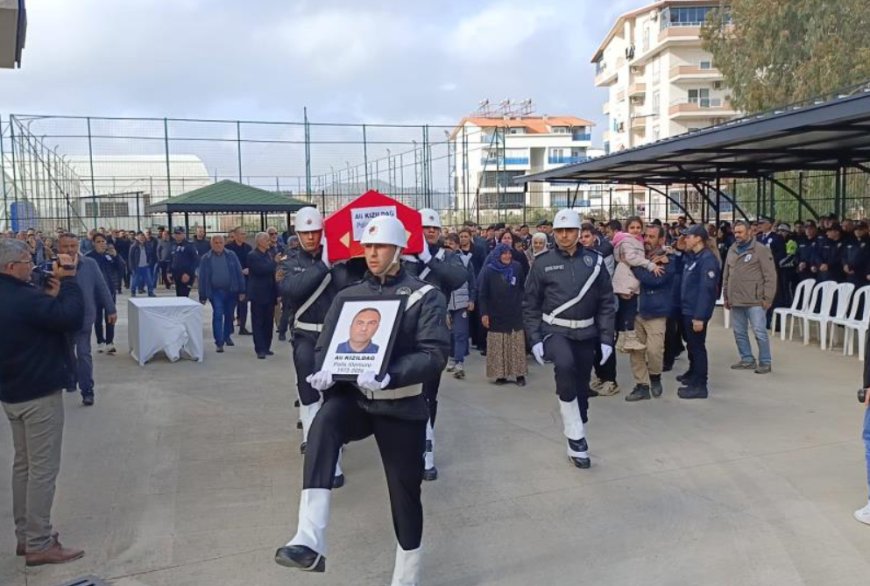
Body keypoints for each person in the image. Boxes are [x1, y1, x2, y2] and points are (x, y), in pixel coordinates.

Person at [275, 215, 449, 585]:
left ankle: (406, 576)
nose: (372, 253)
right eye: (367, 246)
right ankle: (309, 537)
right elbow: (325, 347)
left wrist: (392, 374)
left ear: (399, 249)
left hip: (401, 405)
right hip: (355, 398)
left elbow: (434, 354)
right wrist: (324, 371)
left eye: (380, 246)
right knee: (322, 424)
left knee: (404, 496)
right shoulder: (349, 296)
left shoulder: (425, 296)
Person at [0, 239, 86, 566]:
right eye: (25, 261)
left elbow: (41, 319)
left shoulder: (16, 297)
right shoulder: (22, 299)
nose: (31, 265)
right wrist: (69, 280)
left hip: (12, 391)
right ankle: (39, 542)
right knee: (42, 470)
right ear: (10, 267)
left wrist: (47, 297)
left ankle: (26, 535)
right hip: (38, 392)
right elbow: (71, 317)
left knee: (23, 465)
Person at [524, 209, 616, 469]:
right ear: (554, 232)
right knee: (564, 366)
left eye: (570, 231)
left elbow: (607, 303)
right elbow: (530, 304)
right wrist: (535, 339)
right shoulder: (542, 263)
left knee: (581, 384)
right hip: (556, 331)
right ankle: (575, 436)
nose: (564, 235)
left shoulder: (595, 262)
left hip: (586, 332)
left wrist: (607, 338)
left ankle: (578, 424)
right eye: (560, 231)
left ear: (579, 233)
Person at [403, 208, 468, 482]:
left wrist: (429, 259)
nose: (429, 232)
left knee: (430, 392)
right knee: (404, 392)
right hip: (405, 333)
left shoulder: (447, 257)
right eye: (424, 228)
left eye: (433, 228)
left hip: (434, 334)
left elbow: (457, 278)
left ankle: (427, 447)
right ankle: (409, 445)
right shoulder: (403, 258)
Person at [57, 233, 116, 407]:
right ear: (58, 248)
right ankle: (70, 379)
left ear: (78, 246)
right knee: (67, 354)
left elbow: (101, 286)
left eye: (73, 246)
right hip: (61, 319)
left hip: (84, 318)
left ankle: (87, 390)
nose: (70, 250)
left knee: (84, 354)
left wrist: (111, 308)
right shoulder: (52, 266)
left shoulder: (89, 265)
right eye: (65, 246)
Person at [625, 224, 678, 401]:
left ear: (662, 240)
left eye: (652, 237)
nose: (647, 240)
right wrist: (644, 264)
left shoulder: (669, 258)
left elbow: (654, 279)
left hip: (655, 311)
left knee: (655, 351)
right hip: (634, 311)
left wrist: (634, 267)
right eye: (645, 236)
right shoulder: (636, 253)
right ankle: (642, 385)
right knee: (636, 351)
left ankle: (655, 377)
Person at [723, 220, 777, 374]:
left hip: (755, 300)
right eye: (735, 232)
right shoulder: (732, 249)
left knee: (759, 331)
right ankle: (747, 359)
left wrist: (768, 298)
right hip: (736, 299)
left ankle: (765, 362)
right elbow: (727, 274)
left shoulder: (760, 250)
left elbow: (770, 276)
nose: (737, 235)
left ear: (749, 232)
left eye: (740, 232)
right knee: (739, 331)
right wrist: (726, 295)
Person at [675, 225, 720, 400]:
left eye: (688, 236)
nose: (685, 239)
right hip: (687, 309)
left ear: (698, 238)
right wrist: (681, 249)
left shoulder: (707, 259)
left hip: (696, 311)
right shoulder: (693, 257)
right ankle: (693, 375)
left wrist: (700, 317)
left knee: (698, 347)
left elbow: (706, 291)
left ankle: (701, 384)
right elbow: (681, 268)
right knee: (691, 345)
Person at [611, 217, 664, 353]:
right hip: (627, 278)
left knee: (626, 309)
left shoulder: (635, 241)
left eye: (638, 228)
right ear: (627, 229)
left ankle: (622, 339)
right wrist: (650, 265)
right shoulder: (628, 241)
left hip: (628, 277)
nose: (635, 230)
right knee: (630, 309)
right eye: (632, 227)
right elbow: (631, 258)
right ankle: (629, 338)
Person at [479, 243, 527, 386]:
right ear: (497, 255)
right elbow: (482, 294)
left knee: (516, 344)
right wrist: (484, 313)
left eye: (509, 253)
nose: (507, 256)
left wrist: (522, 302)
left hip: (514, 311)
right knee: (498, 344)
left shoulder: (517, 267)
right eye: (504, 253)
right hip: (496, 313)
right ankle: (501, 375)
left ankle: (519, 375)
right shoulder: (488, 271)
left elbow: (522, 287)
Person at [198, 235, 246, 353]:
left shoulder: (231, 255)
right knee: (218, 314)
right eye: (216, 243)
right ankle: (219, 342)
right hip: (215, 292)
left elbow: (239, 272)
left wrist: (242, 290)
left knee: (229, 315)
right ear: (211, 244)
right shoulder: (206, 258)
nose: (218, 245)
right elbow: (202, 277)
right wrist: (202, 295)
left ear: (224, 244)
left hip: (231, 290)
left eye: (220, 242)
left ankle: (227, 336)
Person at [443, 233, 476, 379]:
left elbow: (472, 281)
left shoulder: (465, 260)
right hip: (446, 304)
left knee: (460, 333)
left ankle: (459, 363)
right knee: (449, 334)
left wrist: (471, 299)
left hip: (462, 303)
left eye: (451, 244)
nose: (448, 247)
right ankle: (451, 358)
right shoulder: (439, 261)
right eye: (446, 244)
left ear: (457, 245)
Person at [87, 234, 126, 354]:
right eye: (98, 241)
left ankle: (110, 342)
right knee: (97, 318)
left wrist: (116, 256)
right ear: (93, 243)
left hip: (109, 290)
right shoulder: (89, 257)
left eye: (103, 241)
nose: (101, 243)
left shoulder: (109, 256)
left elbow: (121, 268)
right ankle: (100, 341)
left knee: (110, 316)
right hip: (95, 292)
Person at [248, 232, 278, 359]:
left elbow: (272, 274)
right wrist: (275, 263)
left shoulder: (269, 254)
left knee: (268, 322)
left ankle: (267, 346)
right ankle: (260, 348)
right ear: (259, 241)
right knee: (258, 322)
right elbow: (261, 270)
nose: (268, 241)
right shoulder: (253, 256)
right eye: (266, 239)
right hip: (258, 294)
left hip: (270, 293)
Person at [225, 227, 253, 335]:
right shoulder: (228, 248)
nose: (243, 236)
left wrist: (249, 269)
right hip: (231, 280)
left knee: (243, 304)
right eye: (241, 234)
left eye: (244, 234)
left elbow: (251, 261)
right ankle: (229, 326)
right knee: (231, 304)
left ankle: (242, 327)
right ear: (235, 235)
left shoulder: (248, 248)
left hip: (245, 280)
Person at [170, 227, 199, 298]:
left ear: (183, 234)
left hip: (186, 276)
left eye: (179, 233)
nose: (177, 235)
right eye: (176, 233)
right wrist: (169, 271)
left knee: (184, 297)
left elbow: (196, 261)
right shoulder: (173, 245)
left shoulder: (189, 245)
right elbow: (171, 260)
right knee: (179, 297)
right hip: (177, 275)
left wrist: (188, 273)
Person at [128, 231, 156, 297]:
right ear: (137, 238)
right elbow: (130, 258)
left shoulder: (147, 245)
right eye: (140, 237)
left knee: (149, 280)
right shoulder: (134, 246)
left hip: (145, 266)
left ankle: (150, 292)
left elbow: (150, 254)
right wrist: (132, 267)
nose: (142, 238)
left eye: (143, 237)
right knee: (135, 281)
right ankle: (133, 292)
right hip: (137, 266)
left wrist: (149, 262)